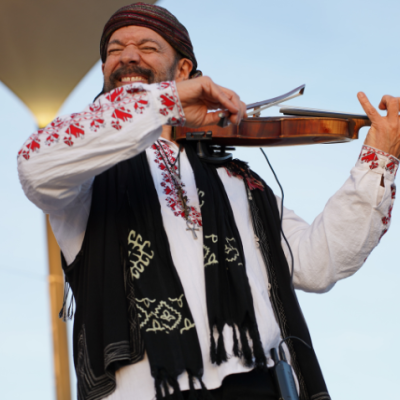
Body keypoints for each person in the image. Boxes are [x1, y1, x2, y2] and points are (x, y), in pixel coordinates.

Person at [17, 3, 400, 400]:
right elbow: (33, 165)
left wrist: (380, 161)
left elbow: (319, 264)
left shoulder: (237, 180)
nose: (128, 55)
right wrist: (168, 101)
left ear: (183, 70)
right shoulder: (85, 172)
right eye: (115, 49)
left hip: (257, 386)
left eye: (147, 46)